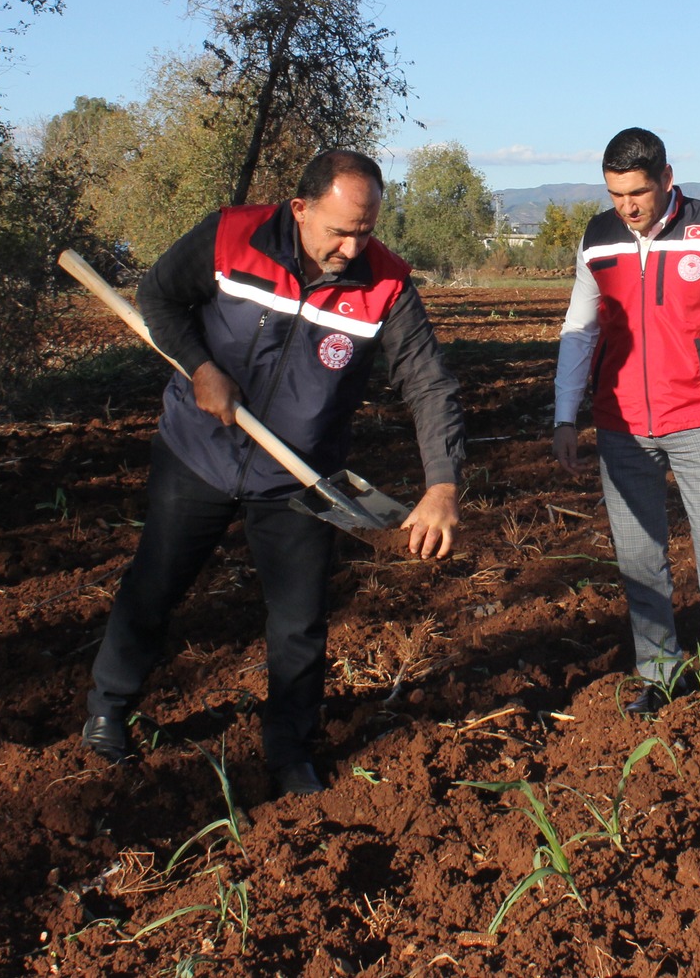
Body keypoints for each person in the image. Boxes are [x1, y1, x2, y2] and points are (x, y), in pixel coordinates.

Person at [78, 149, 466, 796]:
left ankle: (290, 748)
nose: (351, 246)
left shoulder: (386, 284)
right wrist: (201, 365)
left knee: (299, 622)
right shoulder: (232, 236)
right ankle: (108, 709)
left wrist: (443, 483)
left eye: (364, 231)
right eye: (339, 230)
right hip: (197, 449)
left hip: (300, 479)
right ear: (300, 208)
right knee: (156, 584)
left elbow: (430, 383)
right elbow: (159, 297)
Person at [551, 128, 700, 727]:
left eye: (639, 193)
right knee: (639, 557)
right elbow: (580, 331)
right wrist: (565, 414)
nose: (627, 207)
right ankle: (659, 674)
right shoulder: (598, 238)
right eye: (616, 194)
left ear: (667, 179)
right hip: (621, 426)